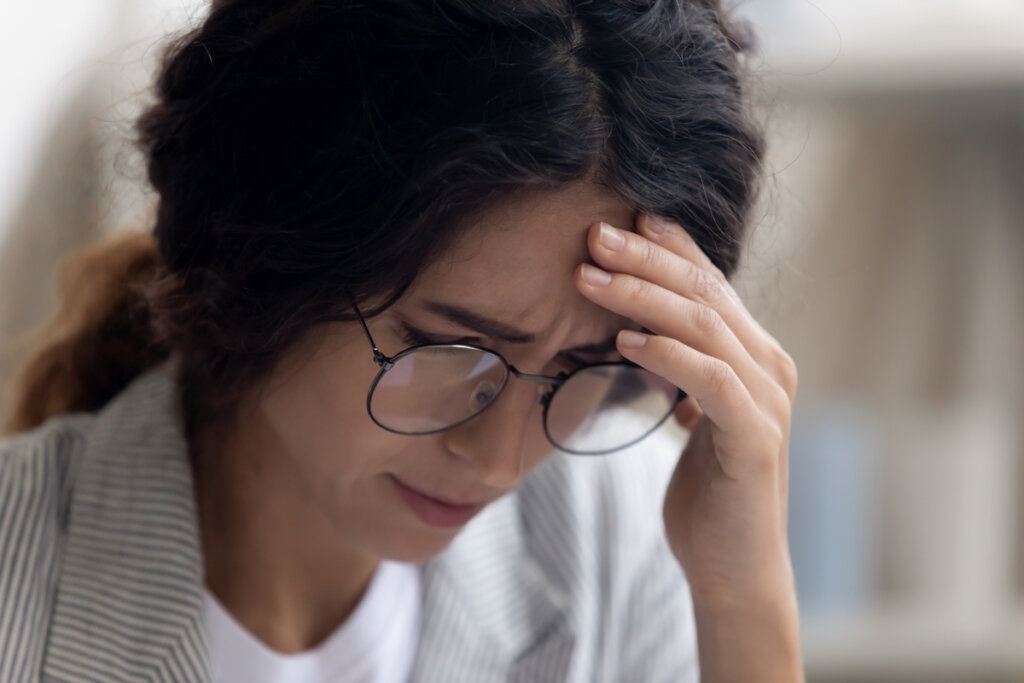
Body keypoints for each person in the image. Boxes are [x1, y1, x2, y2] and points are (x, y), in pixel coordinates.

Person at [0, 0, 802, 681]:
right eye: (449, 348)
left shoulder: (623, 534)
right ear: (265, 263)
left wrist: (745, 606)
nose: (499, 458)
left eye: (583, 363)